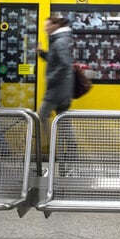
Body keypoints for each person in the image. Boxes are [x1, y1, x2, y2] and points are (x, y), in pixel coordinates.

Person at [37, 16, 74, 146]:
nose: (46, 29)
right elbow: (56, 60)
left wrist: (51, 77)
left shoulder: (59, 42)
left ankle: (48, 145)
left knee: (41, 114)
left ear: (55, 26)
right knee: (63, 121)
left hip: (58, 89)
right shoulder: (60, 40)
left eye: (47, 26)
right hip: (63, 89)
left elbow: (65, 64)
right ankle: (71, 150)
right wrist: (42, 54)